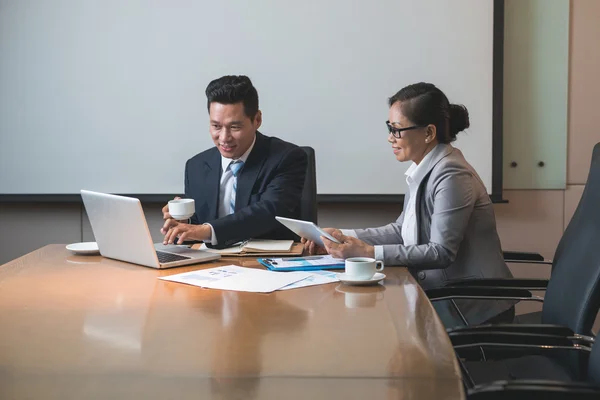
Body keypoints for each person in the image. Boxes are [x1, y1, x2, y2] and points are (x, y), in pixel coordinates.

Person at [304, 82, 514, 328]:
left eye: (397, 130)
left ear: (428, 133)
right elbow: (400, 231)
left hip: (471, 311)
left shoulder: (451, 174)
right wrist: (342, 237)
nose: (390, 138)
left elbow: (441, 251)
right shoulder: (425, 168)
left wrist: (368, 253)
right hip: (439, 300)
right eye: (389, 128)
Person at [161, 75, 308, 249]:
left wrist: (207, 230)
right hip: (212, 268)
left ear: (257, 120)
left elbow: (268, 212)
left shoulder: (287, 157)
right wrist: (184, 223)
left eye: (234, 127)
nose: (224, 138)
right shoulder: (196, 166)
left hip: (267, 264)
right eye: (216, 126)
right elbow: (198, 233)